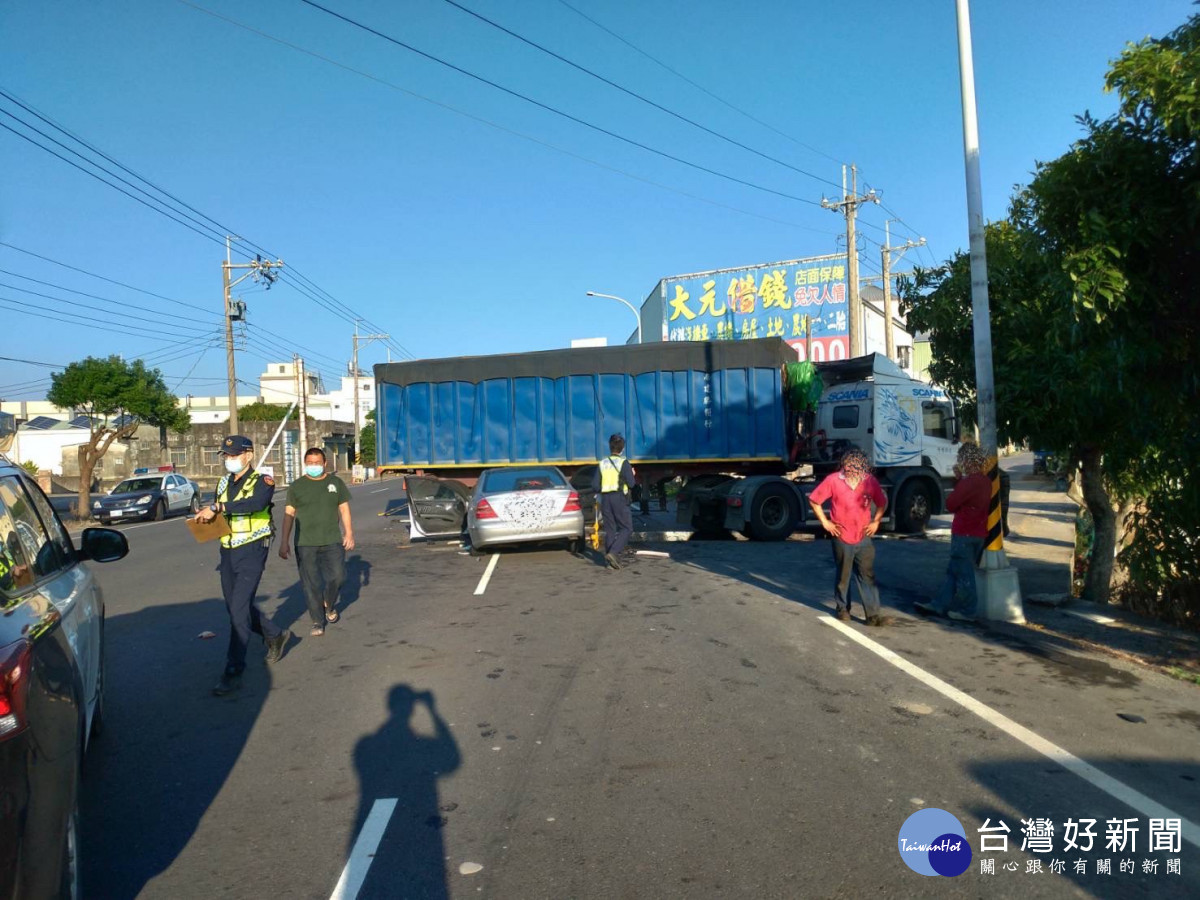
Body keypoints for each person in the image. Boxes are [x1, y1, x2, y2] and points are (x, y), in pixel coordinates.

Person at [194, 435, 291, 695]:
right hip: (227, 550)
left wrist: (218, 506)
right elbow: (222, 512)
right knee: (237, 606)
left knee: (238, 612)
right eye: (226, 456)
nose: (229, 460)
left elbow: (255, 504)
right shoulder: (223, 482)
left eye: (234, 455)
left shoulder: (263, 482)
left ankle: (233, 670)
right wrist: (207, 517)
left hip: (252, 549)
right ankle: (275, 634)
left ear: (248, 455)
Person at [807, 447, 889, 625]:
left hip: (863, 536)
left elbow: (882, 503)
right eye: (850, 464)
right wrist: (825, 522)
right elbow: (814, 501)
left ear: (863, 466)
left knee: (866, 574)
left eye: (857, 464)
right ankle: (843, 609)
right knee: (844, 575)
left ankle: (873, 614)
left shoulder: (869, 481)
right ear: (844, 464)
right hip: (841, 535)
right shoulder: (833, 480)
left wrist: (876, 521)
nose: (853, 467)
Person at [279, 447, 355, 636]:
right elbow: (289, 514)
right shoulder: (296, 486)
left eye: (317, 463)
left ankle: (329, 605)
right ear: (305, 464)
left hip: (332, 540)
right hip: (305, 542)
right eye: (310, 463)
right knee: (311, 584)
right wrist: (284, 542)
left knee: (338, 577)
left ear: (324, 463)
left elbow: (344, 509)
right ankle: (317, 621)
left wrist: (349, 533)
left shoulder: (335, 482)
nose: (313, 466)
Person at [917, 442, 990, 622]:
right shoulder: (986, 481)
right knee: (954, 571)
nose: (960, 461)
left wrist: (959, 482)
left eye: (961, 458)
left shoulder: (970, 482)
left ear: (967, 460)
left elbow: (951, 503)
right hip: (979, 533)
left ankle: (968, 611)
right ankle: (938, 605)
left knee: (964, 574)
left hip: (964, 533)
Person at [592, 433, 636, 570]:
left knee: (610, 530)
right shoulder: (624, 463)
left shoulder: (602, 463)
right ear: (622, 449)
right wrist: (632, 474)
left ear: (610, 447)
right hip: (619, 499)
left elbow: (595, 486)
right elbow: (632, 484)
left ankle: (609, 563)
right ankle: (613, 553)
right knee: (627, 528)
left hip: (605, 499)